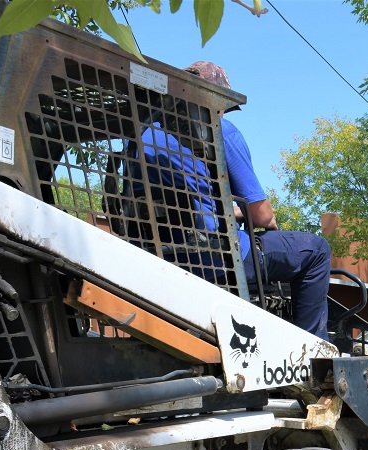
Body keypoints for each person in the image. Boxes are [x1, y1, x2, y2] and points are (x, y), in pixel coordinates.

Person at [137, 61, 332, 341]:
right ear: (213, 99)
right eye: (222, 106)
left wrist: (234, 210)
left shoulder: (143, 136)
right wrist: (259, 218)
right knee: (315, 250)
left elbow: (187, 197)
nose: (221, 113)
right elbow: (263, 217)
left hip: (162, 255)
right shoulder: (219, 132)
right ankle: (314, 349)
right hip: (217, 255)